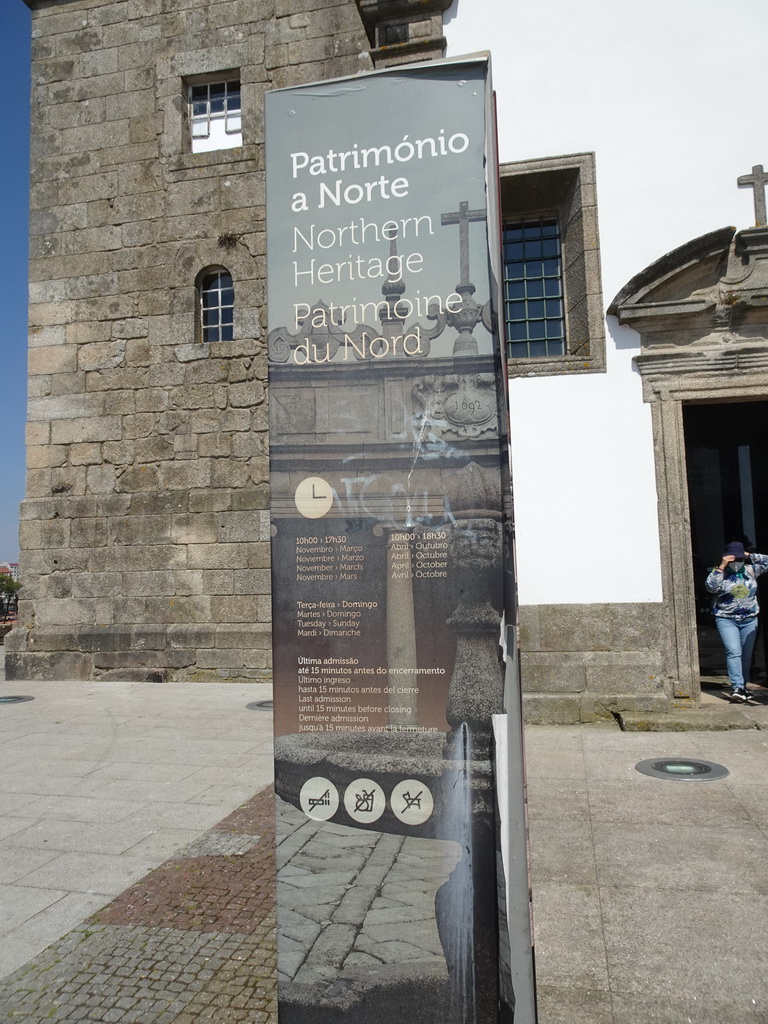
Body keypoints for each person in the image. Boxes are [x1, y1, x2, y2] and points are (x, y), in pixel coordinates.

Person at [705, 541, 768, 702]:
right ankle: (737, 686)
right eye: (733, 559)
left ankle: (744, 686)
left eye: (738, 559)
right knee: (734, 652)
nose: (736, 562)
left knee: (746, 656)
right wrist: (722, 566)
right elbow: (711, 587)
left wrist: (749, 555)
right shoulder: (719, 572)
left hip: (749, 619)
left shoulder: (751, 570)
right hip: (726, 619)